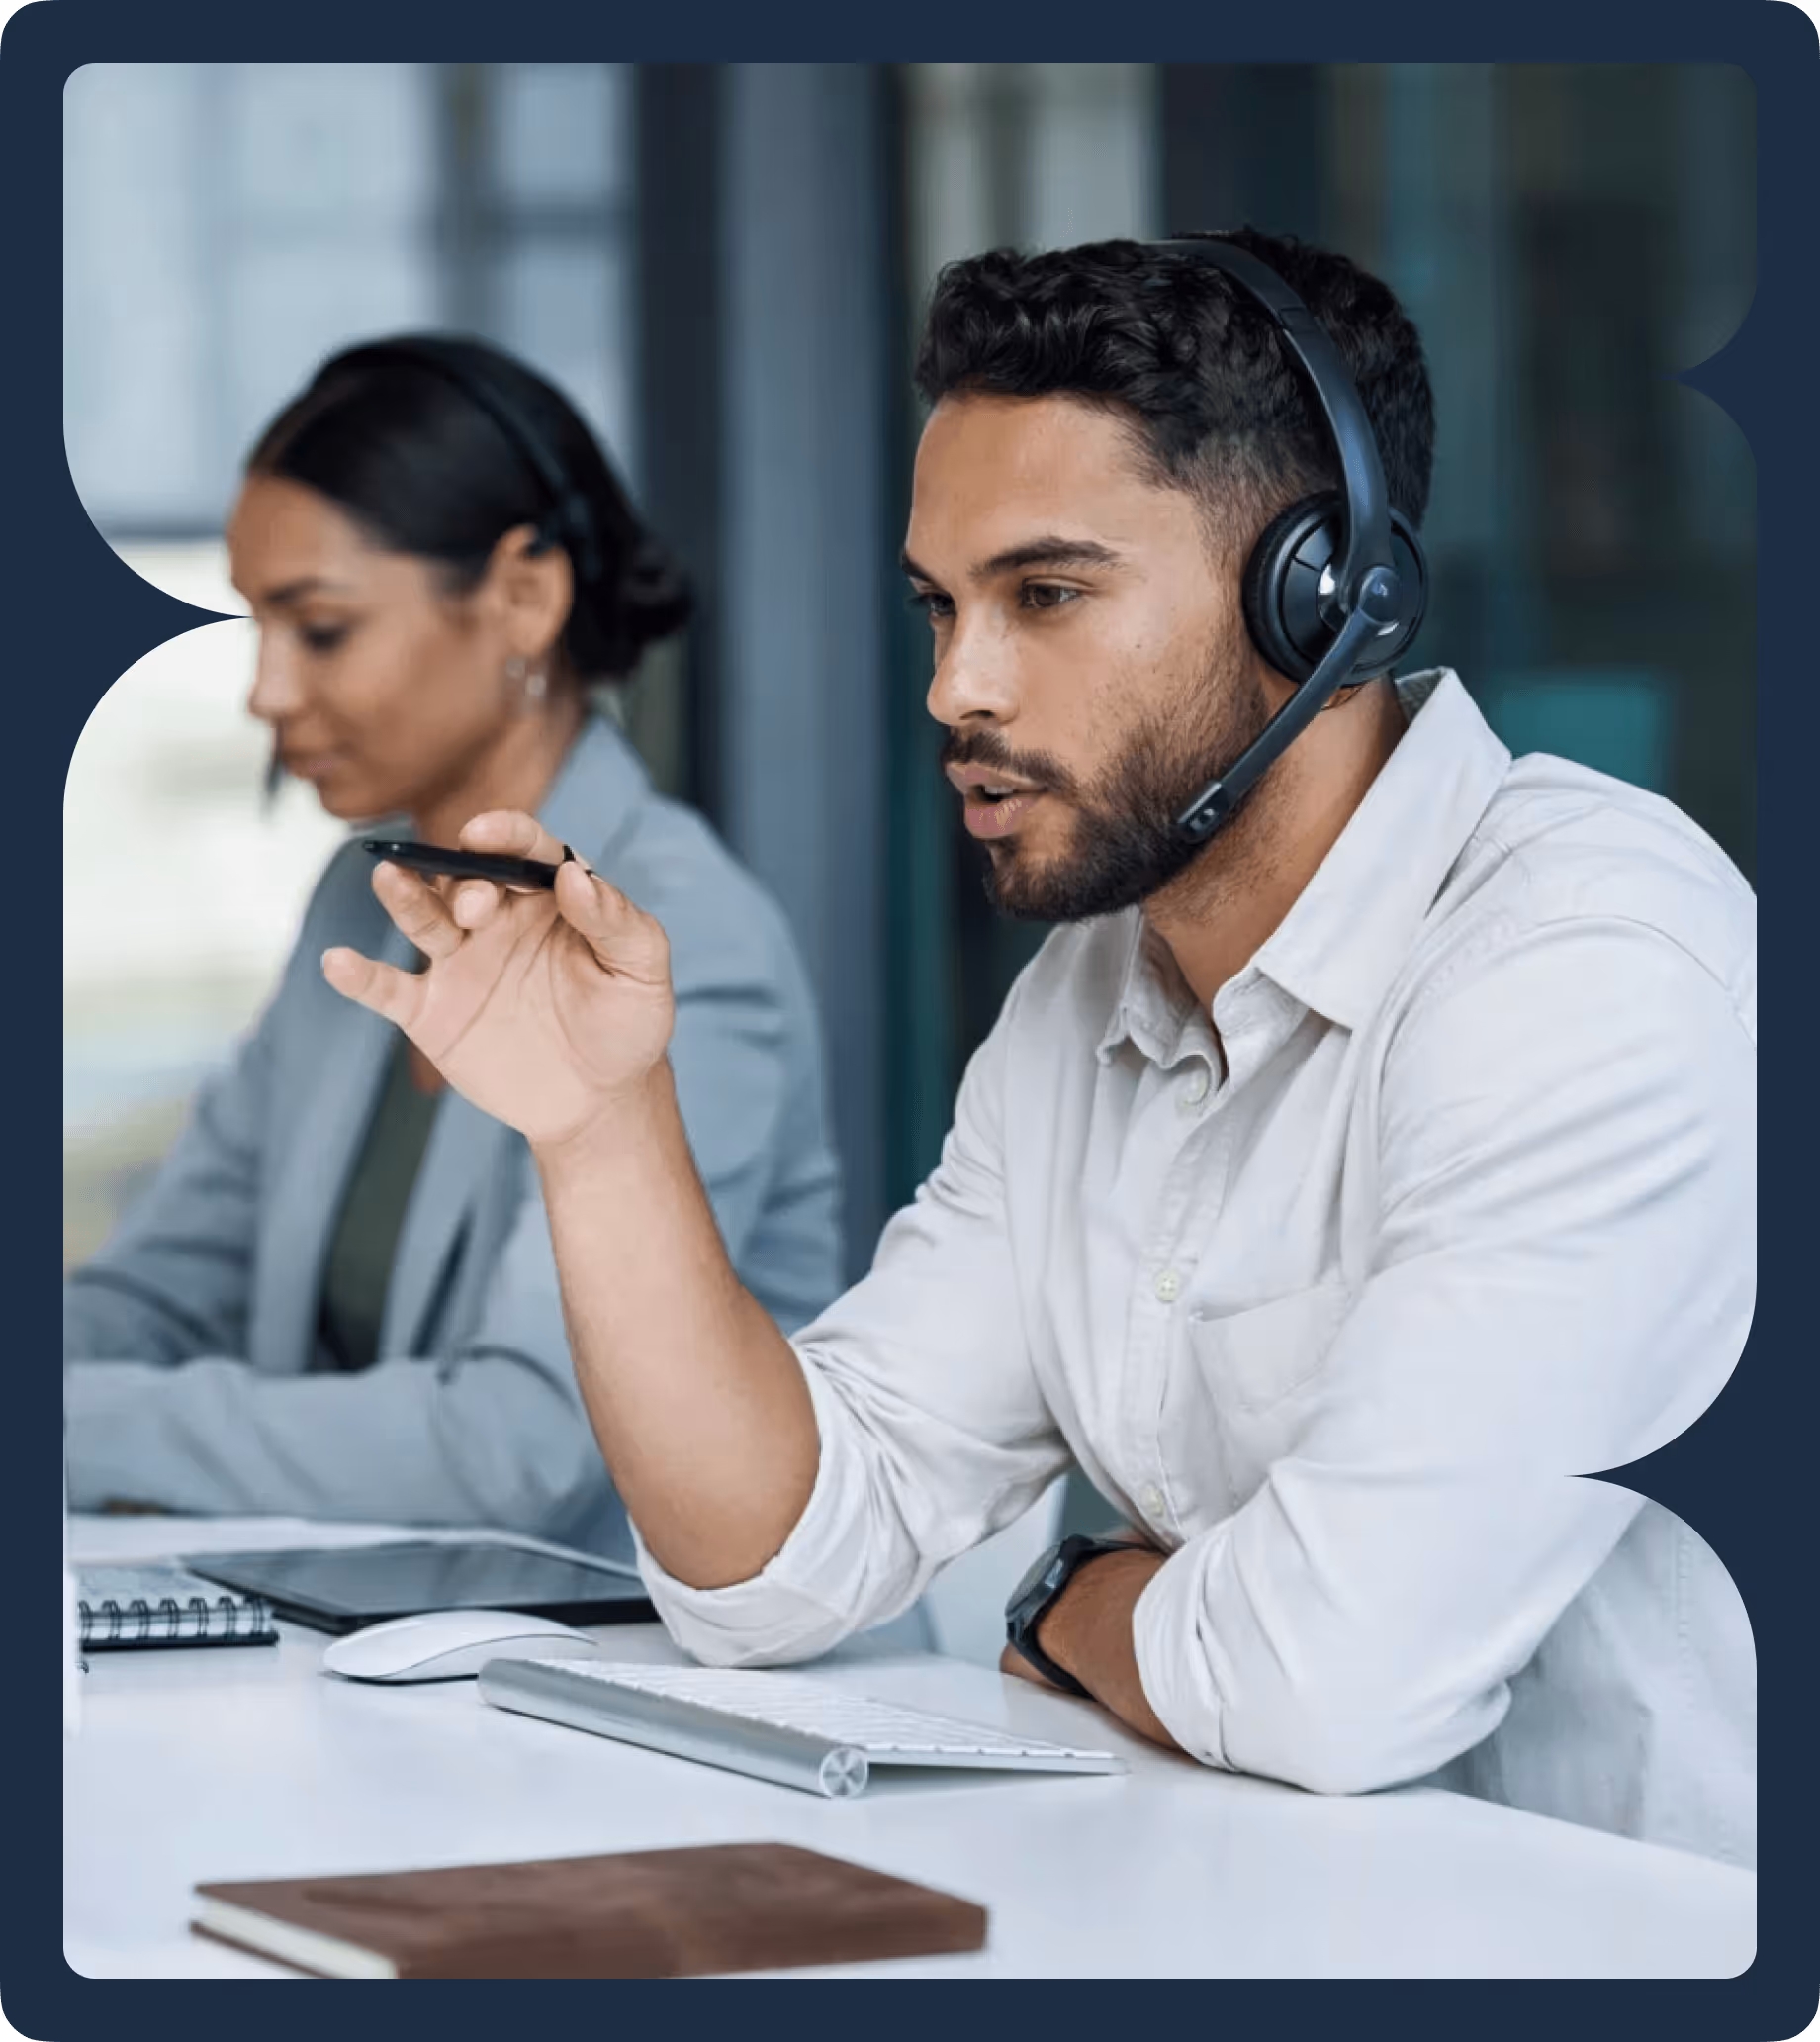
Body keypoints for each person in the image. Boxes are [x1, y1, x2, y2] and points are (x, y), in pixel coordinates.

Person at [322, 233, 1756, 1865]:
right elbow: (774, 1558)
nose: (957, 684)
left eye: (1047, 594)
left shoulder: (1583, 964)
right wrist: (597, 1125)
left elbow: (1333, 1679)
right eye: (940, 605)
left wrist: (1074, 1594)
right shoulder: (1089, 998)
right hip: (1277, 1911)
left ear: (1326, 588)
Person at [64, 334, 843, 1563]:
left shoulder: (681, 941)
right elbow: (171, 1285)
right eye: (258, 624)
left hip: (649, 1688)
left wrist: (73, 1427)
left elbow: (522, 1447)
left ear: (525, 598)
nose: (264, 692)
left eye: (318, 629)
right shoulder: (358, 896)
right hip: (390, 1661)